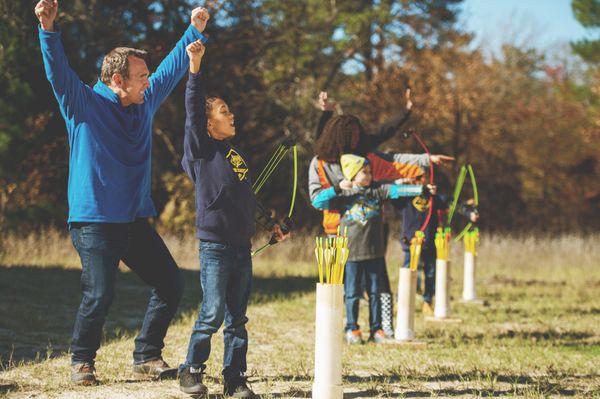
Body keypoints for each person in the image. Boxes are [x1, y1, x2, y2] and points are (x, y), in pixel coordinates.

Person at [35, 0, 209, 385]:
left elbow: (170, 70)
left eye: (146, 76)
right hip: (93, 220)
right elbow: (57, 73)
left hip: (132, 219)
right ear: (117, 80)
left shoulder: (142, 103)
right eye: (140, 76)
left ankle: (147, 354)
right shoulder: (82, 103)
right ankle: (82, 360)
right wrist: (48, 28)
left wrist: (194, 29)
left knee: (171, 283)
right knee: (100, 294)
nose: (148, 81)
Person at [177, 37, 289, 399]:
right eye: (225, 111)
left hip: (242, 245)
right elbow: (193, 110)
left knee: (237, 319)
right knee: (211, 314)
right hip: (214, 246)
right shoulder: (201, 149)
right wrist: (195, 68)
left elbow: (247, 196)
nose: (232, 115)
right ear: (209, 125)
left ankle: (234, 378)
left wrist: (269, 222)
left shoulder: (234, 155)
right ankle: (191, 371)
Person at [308, 91, 454, 337]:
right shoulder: (320, 163)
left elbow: (392, 159)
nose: (357, 141)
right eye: (351, 137)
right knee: (341, 287)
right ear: (340, 138)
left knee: (378, 285)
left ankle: (380, 328)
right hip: (337, 233)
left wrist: (426, 161)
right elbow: (316, 200)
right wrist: (339, 188)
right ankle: (346, 328)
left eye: (358, 137)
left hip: (371, 236)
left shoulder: (366, 160)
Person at [312, 154, 434, 344]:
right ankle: (352, 328)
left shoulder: (378, 190)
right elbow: (318, 202)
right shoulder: (344, 193)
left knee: (375, 292)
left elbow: (398, 190)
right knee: (352, 293)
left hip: (375, 252)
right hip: (351, 253)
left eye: (370, 172)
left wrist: (422, 189)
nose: (369, 175)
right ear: (352, 174)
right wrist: (337, 188)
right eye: (364, 172)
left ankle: (376, 329)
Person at [394, 173, 479, 314]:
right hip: (411, 241)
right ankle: (400, 301)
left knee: (430, 272)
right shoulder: (405, 197)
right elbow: (390, 192)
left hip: (429, 240)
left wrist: (469, 212)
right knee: (407, 271)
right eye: (417, 178)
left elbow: (453, 203)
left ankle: (428, 301)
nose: (421, 181)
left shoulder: (435, 198)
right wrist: (402, 181)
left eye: (423, 178)